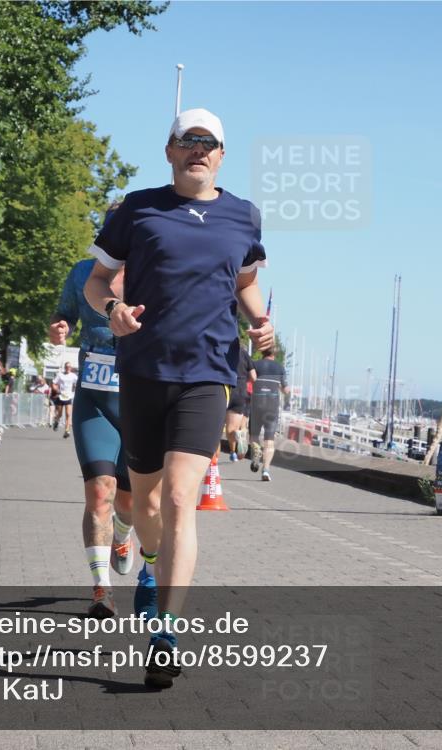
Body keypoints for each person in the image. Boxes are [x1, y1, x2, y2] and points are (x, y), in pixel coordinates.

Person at [83, 108, 273, 689]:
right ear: (169, 151)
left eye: (208, 143)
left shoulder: (244, 216)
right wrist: (111, 309)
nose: (198, 150)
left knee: (182, 500)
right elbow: (97, 282)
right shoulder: (137, 209)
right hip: (142, 372)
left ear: (221, 155)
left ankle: (164, 632)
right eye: (187, 141)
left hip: (208, 373)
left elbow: (245, 283)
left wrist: (262, 322)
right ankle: (146, 565)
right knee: (144, 505)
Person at [49, 256, 136, 618]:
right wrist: (59, 326)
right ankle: (102, 589)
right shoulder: (85, 273)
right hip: (95, 396)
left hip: (138, 402)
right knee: (100, 490)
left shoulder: (158, 271)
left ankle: (122, 534)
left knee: (129, 503)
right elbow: (63, 313)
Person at [248, 348, 290, 481]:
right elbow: (286, 390)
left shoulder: (255, 364)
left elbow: (251, 379)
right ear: (274, 354)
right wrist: (282, 388)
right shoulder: (280, 367)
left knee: (254, 436)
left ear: (262, 352)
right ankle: (265, 470)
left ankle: (256, 450)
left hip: (256, 404)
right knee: (269, 441)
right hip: (272, 406)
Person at [225, 346, 253, 461]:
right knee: (238, 426)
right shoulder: (245, 354)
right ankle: (240, 434)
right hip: (241, 390)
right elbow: (254, 376)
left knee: (228, 427)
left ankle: (232, 452)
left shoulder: (222, 349)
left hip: (226, 388)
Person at [52, 361, 77, 438]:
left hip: (69, 396)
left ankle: (67, 430)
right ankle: (56, 421)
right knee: (59, 414)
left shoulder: (73, 376)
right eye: (66, 367)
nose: (68, 368)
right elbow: (54, 383)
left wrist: (76, 389)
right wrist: (56, 389)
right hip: (61, 396)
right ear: (65, 367)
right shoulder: (60, 375)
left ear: (71, 368)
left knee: (68, 414)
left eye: (69, 367)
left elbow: (78, 384)